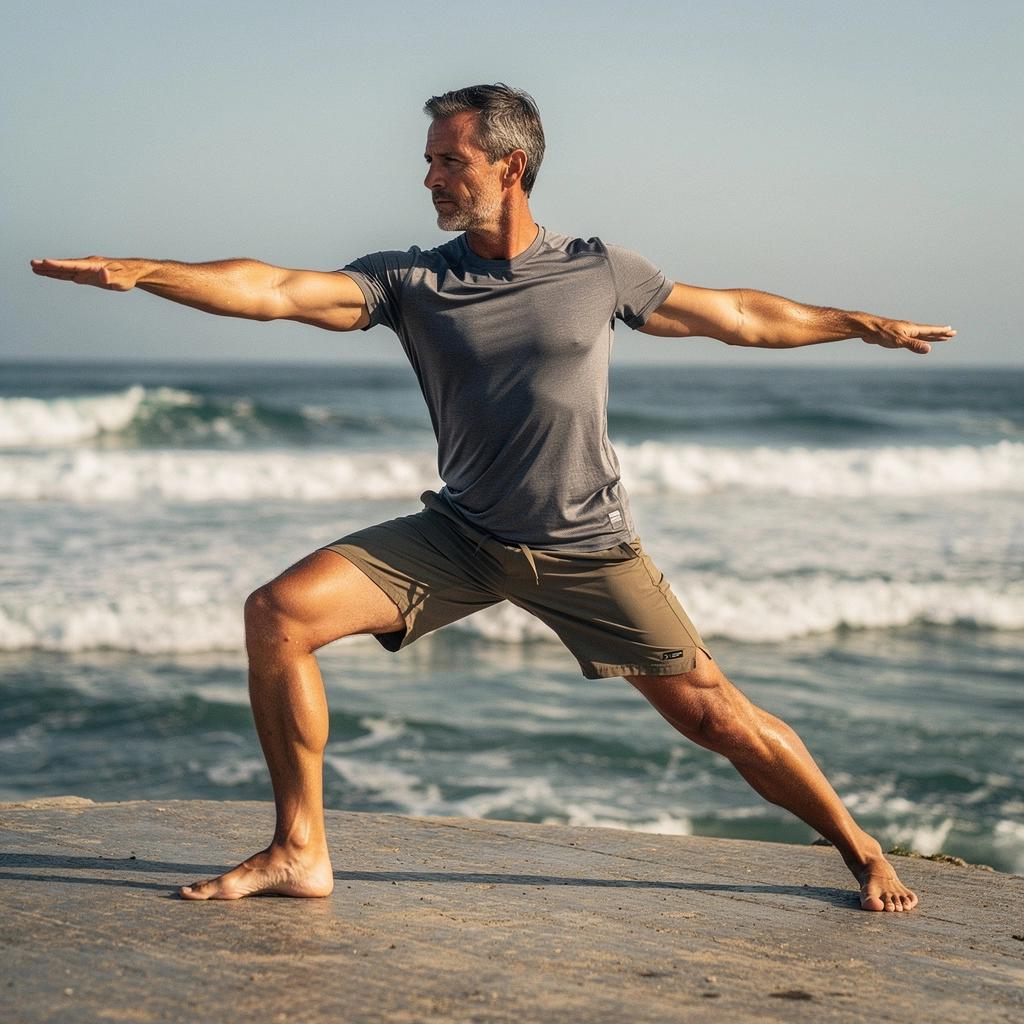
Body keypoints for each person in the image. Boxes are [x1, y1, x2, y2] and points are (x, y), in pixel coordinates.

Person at [31, 84, 954, 911]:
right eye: (429, 159)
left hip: (587, 547)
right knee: (278, 613)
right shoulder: (412, 279)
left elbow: (743, 316)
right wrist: (147, 272)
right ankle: (300, 849)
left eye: (449, 159)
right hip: (463, 537)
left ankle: (861, 849)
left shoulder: (598, 270)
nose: (429, 175)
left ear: (509, 166)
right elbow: (275, 290)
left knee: (716, 714)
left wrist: (858, 324)